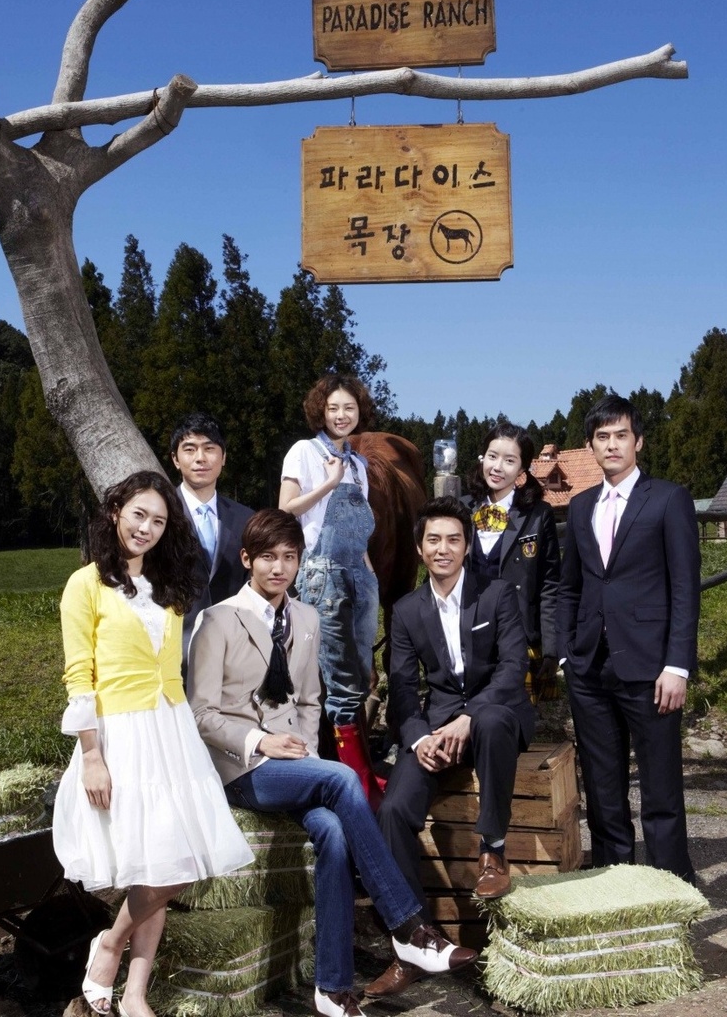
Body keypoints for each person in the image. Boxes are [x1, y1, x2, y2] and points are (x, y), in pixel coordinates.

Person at [187, 509, 477, 1017]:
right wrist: (261, 742)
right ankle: (407, 927)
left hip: (294, 766)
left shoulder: (306, 618)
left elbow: (307, 702)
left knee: (335, 832)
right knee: (343, 778)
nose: (279, 568)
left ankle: (332, 988)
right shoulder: (217, 620)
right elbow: (201, 714)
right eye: (268, 557)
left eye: (290, 557)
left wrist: (304, 754)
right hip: (240, 767)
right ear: (246, 559)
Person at [52, 470, 253, 1017]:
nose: (147, 528)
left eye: (159, 521)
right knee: (157, 865)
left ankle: (115, 956)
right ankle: (125, 980)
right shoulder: (85, 584)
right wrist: (92, 756)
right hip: (120, 735)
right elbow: (79, 675)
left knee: (172, 862)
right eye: (139, 514)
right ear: (114, 512)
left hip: (171, 730)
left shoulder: (167, 586)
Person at [377, 497, 534, 958]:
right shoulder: (406, 610)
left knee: (491, 718)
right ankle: (414, 933)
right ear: (420, 548)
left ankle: (493, 849)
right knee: (393, 810)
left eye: (453, 540)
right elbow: (403, 686)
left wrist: (468, 718)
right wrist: (419, 737)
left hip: (496, 714)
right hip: (437, 725)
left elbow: (512, 669)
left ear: (467, 546)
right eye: (433, 540)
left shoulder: (497, 594)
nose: (442, 549)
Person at [556, 395, 700, 882]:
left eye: (621, 435)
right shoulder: (580, 507)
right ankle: (615, 879)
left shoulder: (668, 499)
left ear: (638, 442)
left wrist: (677, 665)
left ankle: (670, 885)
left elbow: (684, 588)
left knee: (660, 785)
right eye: (603, 437)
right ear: (590, 446)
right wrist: (566, 654)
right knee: (603, 785)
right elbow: (570, 586)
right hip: (589, 668)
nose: (612, 444)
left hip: (652, 668)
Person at [278, 373, 382, 805]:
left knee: (361, 675)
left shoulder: (359, 464)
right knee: (339, 680)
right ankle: (355, 781)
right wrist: (328, 483)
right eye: (334, 407)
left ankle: (361, 769)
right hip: (323, 574)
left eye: (349, 408)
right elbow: (285, 509)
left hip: (360, 574)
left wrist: (370, 575)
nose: (341, 415)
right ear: (321, 411)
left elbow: (361, 530)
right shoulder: (305, 451)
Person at [462, 421, 560, 702]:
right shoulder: (461, 508)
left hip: (517, 636)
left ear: (522, 469)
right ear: (482, 458)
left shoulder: (538, 515)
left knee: (513, 718)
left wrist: (551, 648)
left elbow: (550, 584)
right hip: (468, 633)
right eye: (492, 456)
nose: (497, 467)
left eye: (509, 460)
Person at [170, 413, 255, 671]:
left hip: (234, 655)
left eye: (209, 448)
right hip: (172, 656)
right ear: (175, 459)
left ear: (223, 457)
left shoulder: (246, 518)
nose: (200, 458)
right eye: (189, 449)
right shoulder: (160, 515)